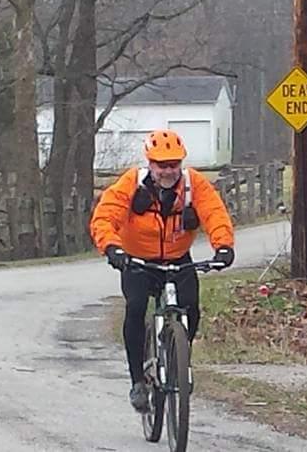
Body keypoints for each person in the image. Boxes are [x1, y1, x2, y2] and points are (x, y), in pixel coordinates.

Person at [89, 128, 235, 413]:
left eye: (174, 164)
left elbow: (215, 213)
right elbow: (105, 216)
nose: (169, 171)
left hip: (178, 258)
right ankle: (138, 382)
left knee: (191, 308)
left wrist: (224, 246)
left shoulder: (194, 185)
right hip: (138, 261)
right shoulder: (132, 183)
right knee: (135, 309)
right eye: (162, 165)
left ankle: (179, 360)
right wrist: (112, 248)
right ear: (150, 163)